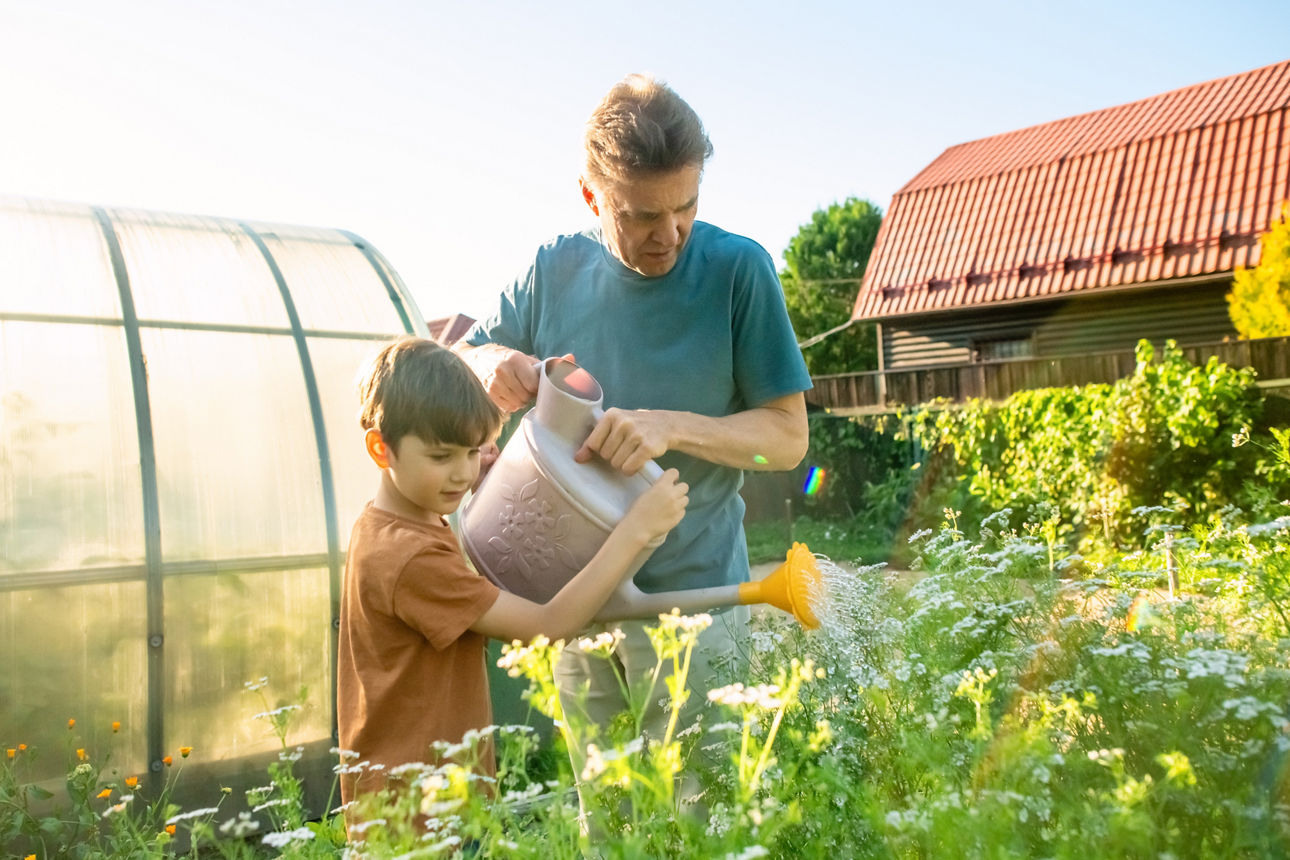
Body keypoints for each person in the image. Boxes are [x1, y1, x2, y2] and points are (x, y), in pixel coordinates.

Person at [454, 74, 812, 807]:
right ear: (593, 198)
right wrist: (490, 363)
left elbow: (786, 441)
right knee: (608, 820)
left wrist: (671, 426)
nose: (671, 234)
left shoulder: (739, 270)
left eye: (688, 206)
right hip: (571, 601)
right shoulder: (552, 268)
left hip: (695, 604)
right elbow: (462, 356)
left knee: (705, 821)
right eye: (644, 215)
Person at [335, 336, 688, 818]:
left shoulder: (391, 524)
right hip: (419, 814)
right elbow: (547, 626)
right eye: (441, 457)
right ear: (381, 448)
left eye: (471, 452)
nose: (462, 473)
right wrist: (636, 530)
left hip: (416, 796)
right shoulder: (409, 557)